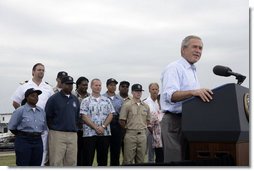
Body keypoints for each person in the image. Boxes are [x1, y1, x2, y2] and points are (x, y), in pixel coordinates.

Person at [160, 35, 213, 162]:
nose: (198, 50)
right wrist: (194, 92)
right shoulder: (174, 68)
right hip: (174, 122)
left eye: (200, 48)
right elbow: (170, 96)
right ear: (183, 49)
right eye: (194, 47)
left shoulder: (192, 71)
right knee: (175, 162)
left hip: (190, 121)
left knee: (189, 160)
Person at [11, 63, 54, 166]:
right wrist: (25, 115)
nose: (41, 72)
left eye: (43, 70)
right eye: (39, 70)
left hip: (43, 124)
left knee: (43, 151)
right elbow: (15, 102)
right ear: (33, 72)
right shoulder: (25, 86)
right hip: (28, 126)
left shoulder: (48, 88)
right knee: (25, 159)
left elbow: (53, 105)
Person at [45, 76, 80, 166]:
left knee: (71, 162)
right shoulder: (53, 99)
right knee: (56, 161)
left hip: (72, 134)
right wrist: (54, 128)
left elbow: (77, 117)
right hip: (57, 133)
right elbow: (48, 116)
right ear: (62, 84)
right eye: (67, 84)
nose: (70, 86)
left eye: (71, 84)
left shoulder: (75, 99)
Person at [8, 88, 47, 166]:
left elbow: (43, 127)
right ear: (27, 97)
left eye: (37, 96)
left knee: (36, 164)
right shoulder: (20, 110)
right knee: (23, 164)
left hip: (38, 141)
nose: (35, 98)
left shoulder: (41, 111)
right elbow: (12, 127)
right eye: (33, 96)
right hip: (24, 141)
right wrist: (22, 135)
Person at [80, 78, 114, 166]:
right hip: (89, 134)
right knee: (87, 159)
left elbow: (111, 114)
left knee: (103, 160)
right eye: (96, 85)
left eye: (99, 85)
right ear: (91, 86)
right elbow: (83, 116)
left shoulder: (107, 100)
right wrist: (95, 127)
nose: (98, 87)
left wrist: (103, 127)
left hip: (104, 133)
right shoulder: (85, 101)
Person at [119, 83, 150, 165]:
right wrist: (129, 130)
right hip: (130, 134)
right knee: (128, 161)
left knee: (141, 160)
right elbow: (122, 120)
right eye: (136, 91)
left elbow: (148, 120)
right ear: (132, 92)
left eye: (140, 91)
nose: (139, 93)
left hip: (142, 134)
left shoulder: (146, 106)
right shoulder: (127, 105)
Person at [103, 78, 124, 166]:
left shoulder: (120, 99)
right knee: (103, 149)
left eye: (114, 85)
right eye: (111, 85)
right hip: (105, 123)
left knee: (115, 150)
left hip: (116, 124)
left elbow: (122, 112)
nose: (113, 86)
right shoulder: (102, 97)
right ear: (107, 86)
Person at [144, 83, 164, 163]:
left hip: (160, 131)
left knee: (160, 153)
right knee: (151, 153)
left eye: (156, 89)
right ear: (149, 90)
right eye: (153, 89)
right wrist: (151, 130)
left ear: (158, 90)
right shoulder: (146, 102)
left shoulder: (161, 102)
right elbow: (144, 118)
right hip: (150, 130)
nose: (154, 91)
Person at [73, 76, 90, 166]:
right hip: (75, 129)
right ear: (78, 85)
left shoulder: (90, 96)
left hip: (87, 129)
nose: (85, 87)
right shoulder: (72, 95)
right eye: (83, 85)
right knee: (76, 153)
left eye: (86, 85)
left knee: (86, 153)